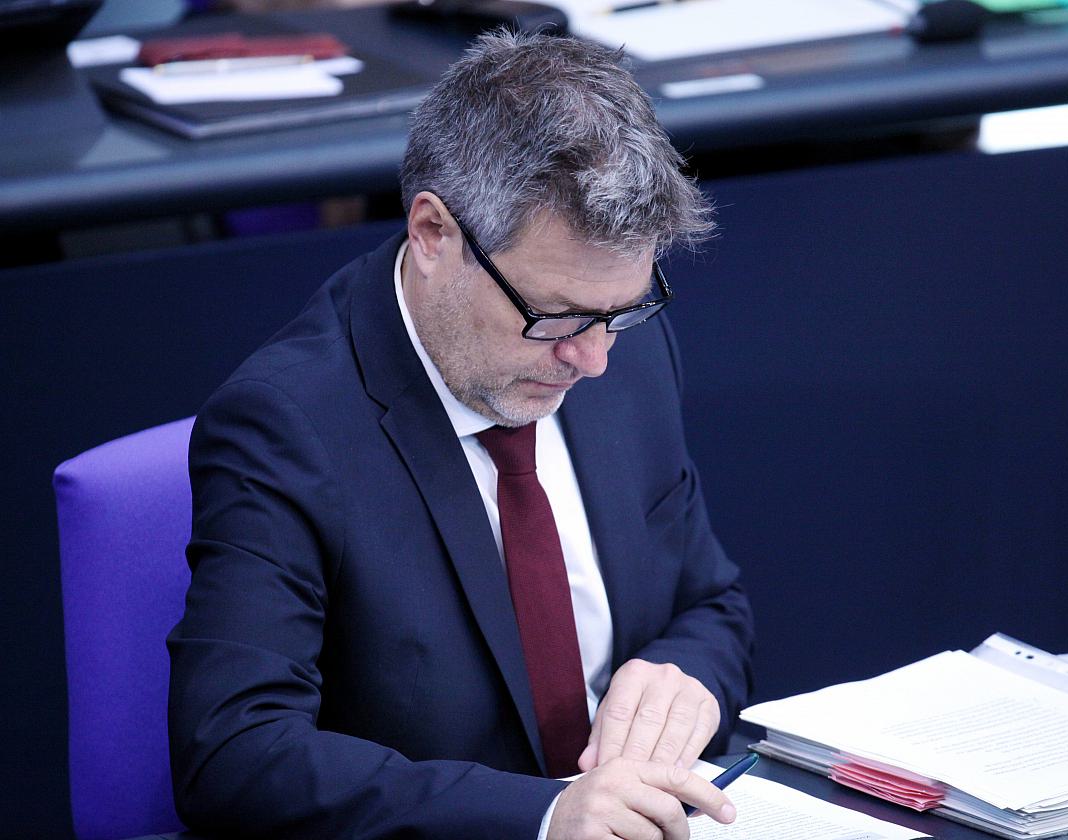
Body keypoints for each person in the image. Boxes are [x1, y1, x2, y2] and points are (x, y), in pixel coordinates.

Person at [168, 30, 754, 840]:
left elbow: (713, 603)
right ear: (434, 234)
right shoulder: (287, 426)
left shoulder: (622, 347)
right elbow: (232, 756)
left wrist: (683, 678)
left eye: (621, 312)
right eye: (554, 317)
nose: (592, 360)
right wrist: (542, 817)